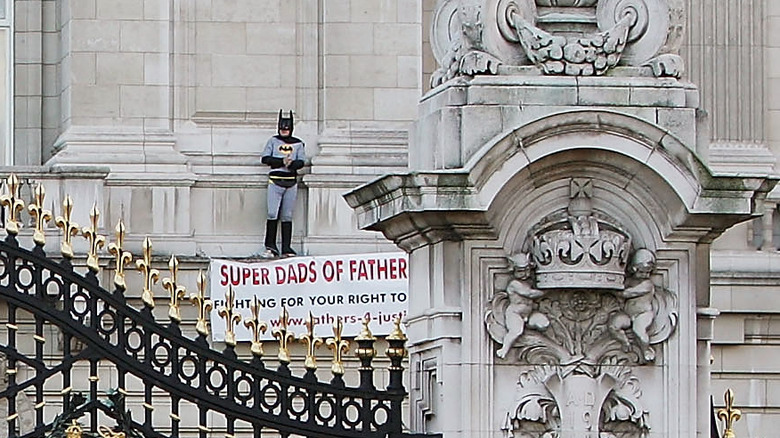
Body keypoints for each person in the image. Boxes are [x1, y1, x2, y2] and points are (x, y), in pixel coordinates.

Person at [260, 110, 305, 258]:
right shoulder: (273, 141)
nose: (284, 130)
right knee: (272, 213)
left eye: (286, 128)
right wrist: (281, 162)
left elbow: (301, 162)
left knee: (287, 215)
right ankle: (270, 245)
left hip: (291, 182)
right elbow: (265, 159)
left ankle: (286, 247)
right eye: (282, 128)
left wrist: (291, 164)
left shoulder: (298, 144)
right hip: (275, 181)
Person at [496, 253, 548, 359]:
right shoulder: (515, 284)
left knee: (543, 323)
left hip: (528, 314)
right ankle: (504, 349)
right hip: (515, 313)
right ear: (513, 270)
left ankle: (530, 336)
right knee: (516, 331)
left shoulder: (529, 282)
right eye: (520, 271)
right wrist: (546, 291)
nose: (525, 274)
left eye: (527, 270)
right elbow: (529, 293)